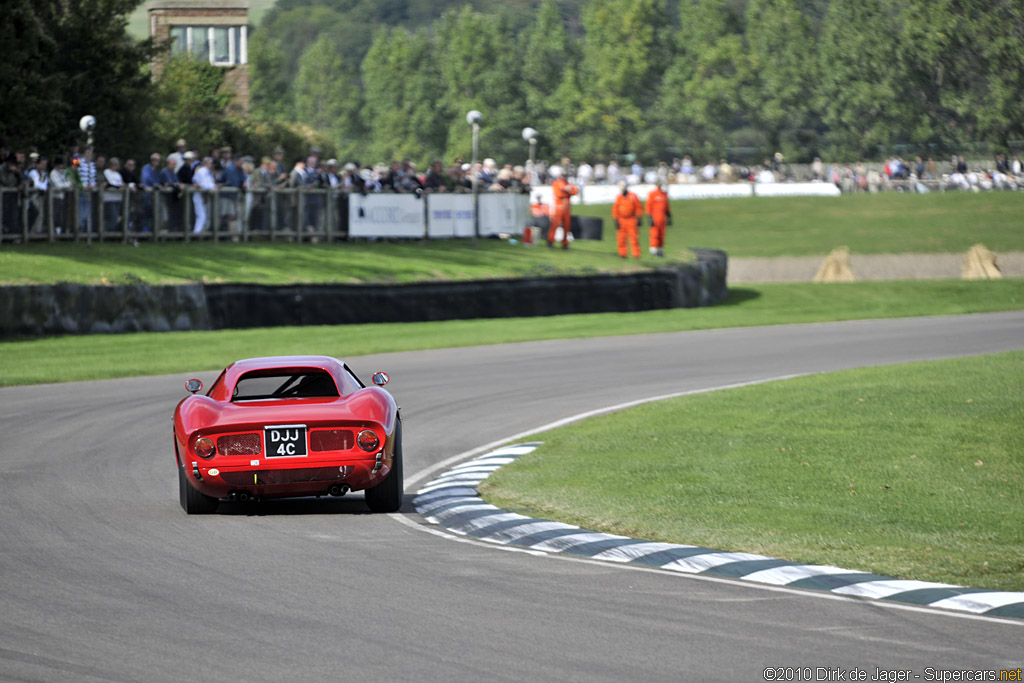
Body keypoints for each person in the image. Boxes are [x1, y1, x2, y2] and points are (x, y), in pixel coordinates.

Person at [547, 167, 578, 249]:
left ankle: (565, 244)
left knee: (567, 226)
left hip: (567, 207)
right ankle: (550, 241)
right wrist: (568, 192)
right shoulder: (556, 183)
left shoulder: (568, 184)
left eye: (565, 175)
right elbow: (559, 194)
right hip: (559, 207)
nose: (564, 177)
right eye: (563, 175)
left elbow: (575, 191)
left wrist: (567, 191)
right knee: (555, 225)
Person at [612, 180, 643, 259]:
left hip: (631, 219)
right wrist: (616, 221)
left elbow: (638, 207)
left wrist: (639, 218)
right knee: (621, 239)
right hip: (621, 220)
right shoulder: (618, 197)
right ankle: (622, 254)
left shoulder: (633, 196)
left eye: (624, 187)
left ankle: (636, 254)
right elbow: (615, 210)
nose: (623, 189)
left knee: (634, 238)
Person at [644, 180, 672, 257]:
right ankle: (653, 250)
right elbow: (648, 206)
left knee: (662, 234)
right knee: (654, 234)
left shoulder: (664, 194)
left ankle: (660, 250)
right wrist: (649, 217)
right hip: (654, 217)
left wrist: (669, 216)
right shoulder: (652, 194)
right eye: (658, 183)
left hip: (662, 217)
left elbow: (667, 206)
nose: (659, 184)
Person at [192, 156, 216, 234]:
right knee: (201, 216)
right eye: (210, 163)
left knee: (204, 215)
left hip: (204, 196)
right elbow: (202, 184)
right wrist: (212, 188)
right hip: (198, 195)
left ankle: (199, 232)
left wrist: (214, 187)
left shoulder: (208, 172)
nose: (211, 165)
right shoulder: (201, 171)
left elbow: (210, 183)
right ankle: (196, 233)